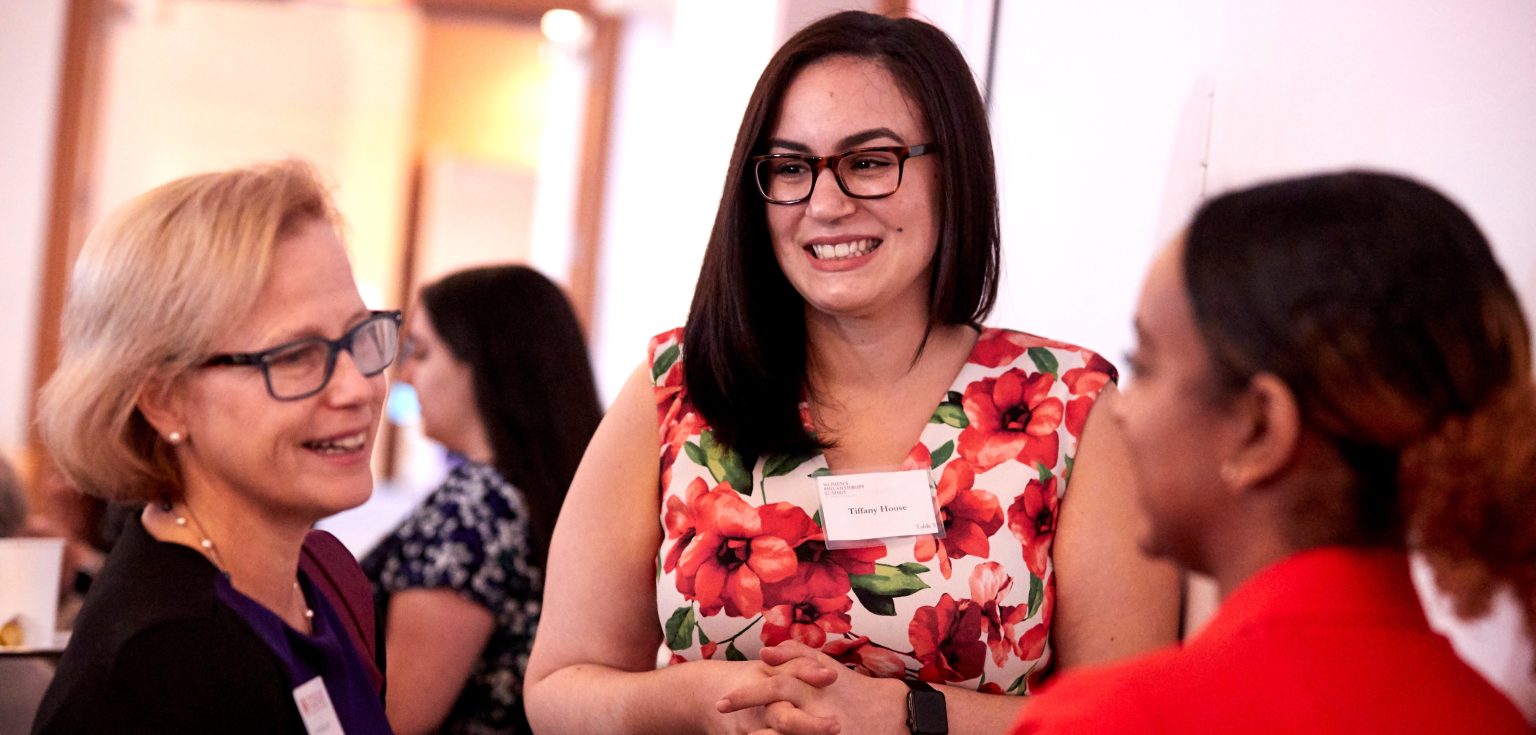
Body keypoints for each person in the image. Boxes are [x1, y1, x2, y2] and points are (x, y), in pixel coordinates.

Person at [525, 10, 1181, 734]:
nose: (826, 205)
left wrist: (908, 716)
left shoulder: (1066, 404)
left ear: (953, 170)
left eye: (869, 161)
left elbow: (1134, 719)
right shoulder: (680, 384)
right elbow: (557, 688)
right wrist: (699, 700)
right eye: (791, 167)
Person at [1009, 171, 1534, 734]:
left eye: (1145, 366)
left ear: (1261, 429)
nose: (1121, 409)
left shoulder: (1113, 722)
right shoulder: (1491, 717)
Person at [31, 160, 398, 734]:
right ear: (164, 400)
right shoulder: (162, 662)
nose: (358, 387)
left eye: (358, 335)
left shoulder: (321, 579)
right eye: (295, 355)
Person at [362, 265, 602, 734]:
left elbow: (395, 718)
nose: (406, 375)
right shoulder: (542, 490)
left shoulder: (474, 511)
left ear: (483, 363)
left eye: (422, 352)